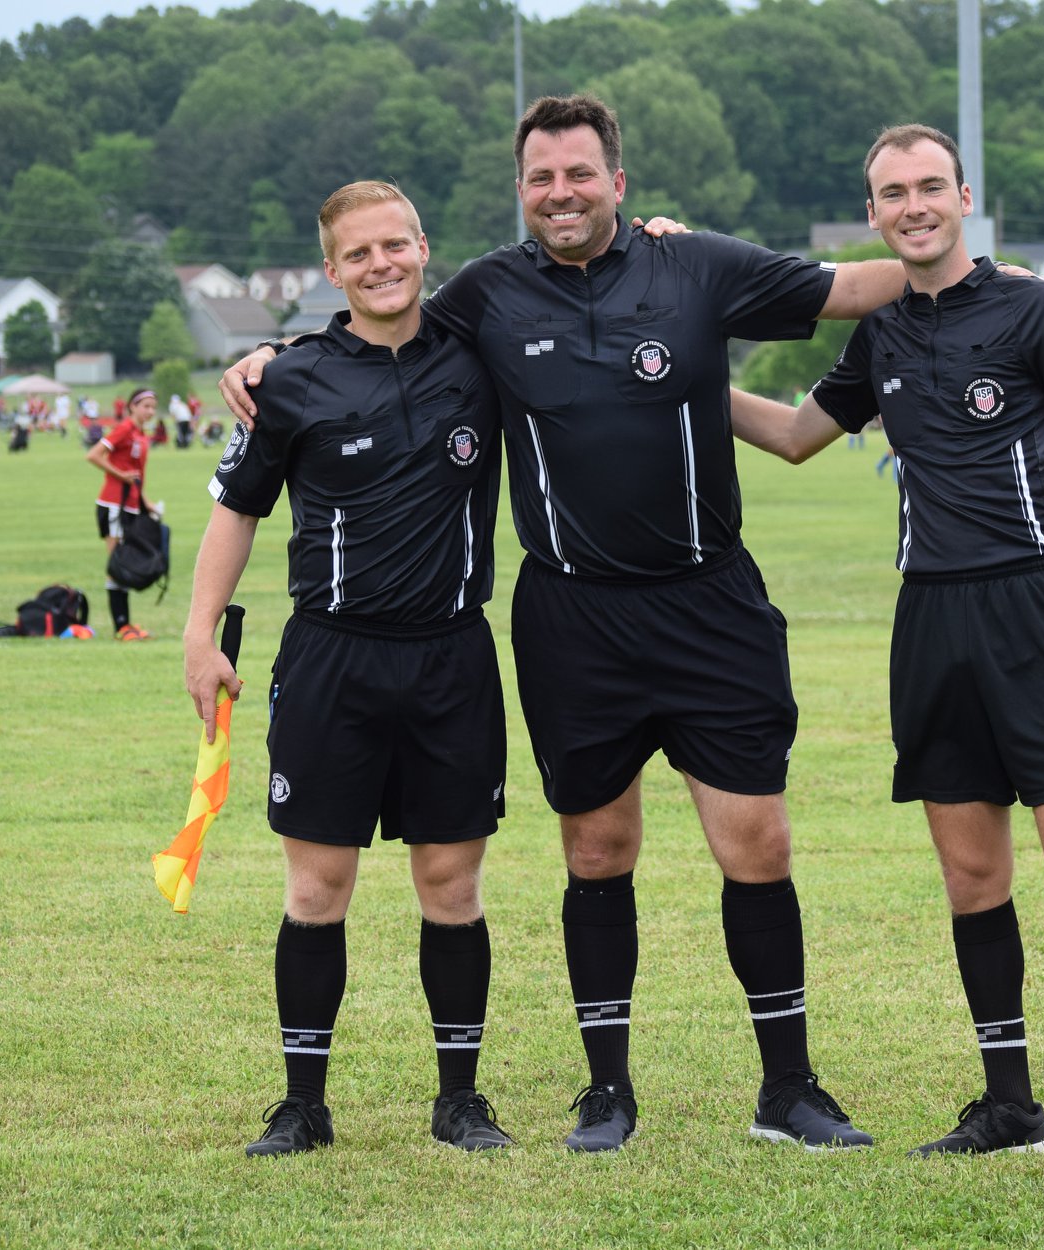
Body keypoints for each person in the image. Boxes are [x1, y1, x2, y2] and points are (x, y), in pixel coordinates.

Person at [222, 94, 933, 1154]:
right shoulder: (485, 293)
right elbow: (376, 321)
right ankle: (606, 1089)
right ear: (521, 191)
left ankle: (787, 1087)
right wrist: (270, 351)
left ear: (618, 181)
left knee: (759, 842)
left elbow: (856, 286)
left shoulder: (695, 266)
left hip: (711, 603)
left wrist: (948, 255)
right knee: (596, 850)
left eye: (580, 174)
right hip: (570, 614)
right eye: (542, 178)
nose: (562, 193)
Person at [727, 124, 1044, 1179]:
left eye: (927, 187)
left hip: (1039, 604)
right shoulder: (880, 330)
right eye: (890, 194)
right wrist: (681, 374)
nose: (911, 206)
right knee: (970, 874)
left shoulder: (1036, 308)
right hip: (930, 619)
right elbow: (791, 434)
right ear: (871, 215)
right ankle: (1011, 1103)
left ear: (963, 197)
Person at [187, 181, 516, 1158]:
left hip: (452, 652)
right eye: (358, 253)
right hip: (331, 656)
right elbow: (236, 507)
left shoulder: (479, 357)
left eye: (396, 245)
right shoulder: (291, 377)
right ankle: (303, 1103)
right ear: (331, 271)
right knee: (317, 886)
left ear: (424, 247)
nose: (381, 264)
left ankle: (459, 1097)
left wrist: (657, 236)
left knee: (450, 884)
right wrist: (199, 633)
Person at [84, 387, 159, 641]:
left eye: (153, 407)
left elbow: (136, 474)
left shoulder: (140, 433)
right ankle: (121, 627)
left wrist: (145, 502)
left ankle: (125, 624)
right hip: (112, 503)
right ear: (132, 407)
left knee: (123, 561)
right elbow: (93, 455)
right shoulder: (125, 428)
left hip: (129, 504)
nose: (150, 411)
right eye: (145, 406)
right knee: (117, 564)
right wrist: (121, 476)